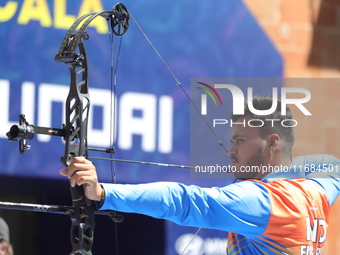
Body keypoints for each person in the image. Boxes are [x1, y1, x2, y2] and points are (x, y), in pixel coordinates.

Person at [60, 95, 340, 254]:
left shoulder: (261, 201)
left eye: (240, 140)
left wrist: (103, 193)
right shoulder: (317, 191)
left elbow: (183, 200)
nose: (230, 151)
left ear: (272, 143)